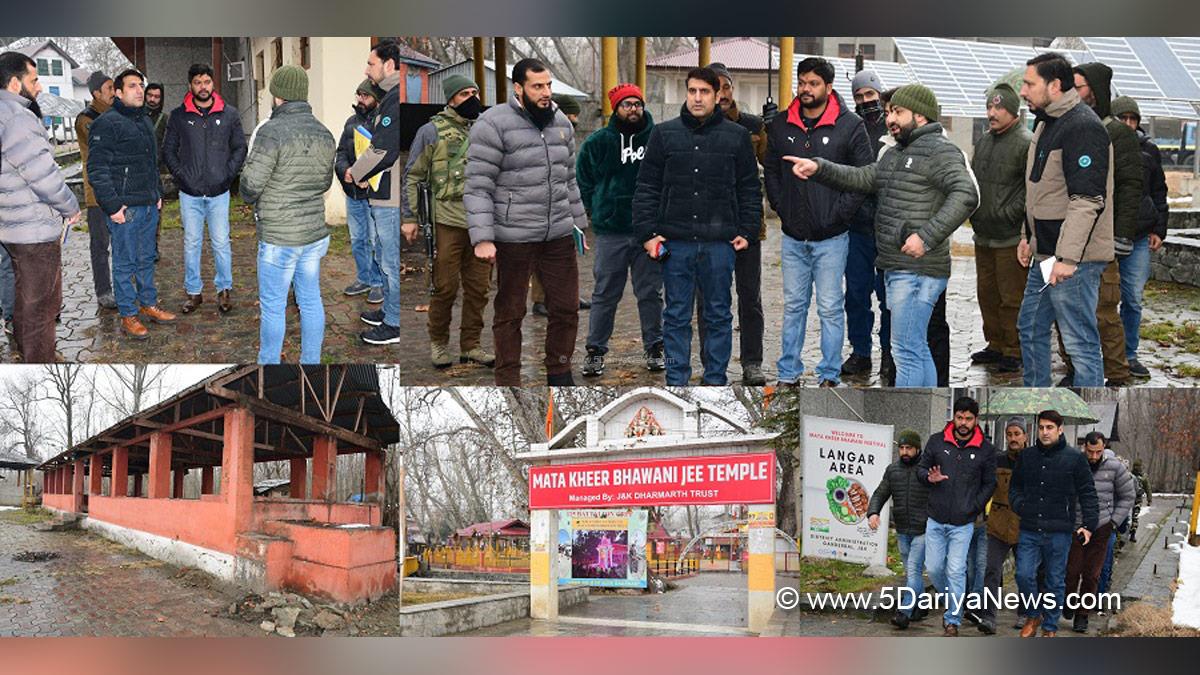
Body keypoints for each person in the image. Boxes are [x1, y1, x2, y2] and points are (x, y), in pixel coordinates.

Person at [784, 84, 978, 387]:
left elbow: (966, 194)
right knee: (916, 348)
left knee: (905, 351)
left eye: (897, 112)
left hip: (915, 270)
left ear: (921, 116)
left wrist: (926, 237)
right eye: (889, 112)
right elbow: (864, 176)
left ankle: (911, 416)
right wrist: (819, 168)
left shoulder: (941, 150)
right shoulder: (896, 151)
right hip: (899, 266)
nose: (890, 119)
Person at [634, 66, 760, 386]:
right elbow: (647, 187)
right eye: (692, 91)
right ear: (686, 92)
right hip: (675, 243)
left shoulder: (737, 137)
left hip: (720, 243)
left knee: (718, 315)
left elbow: (749, 187)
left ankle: (715, 379)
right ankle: (676, 379)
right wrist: (648, 234)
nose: (697, 98)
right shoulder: (664, 134)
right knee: (675, 316)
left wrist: (747, 230)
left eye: (705, 92)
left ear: (718, 96)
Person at [465, 58, 588, 386]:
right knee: (510, 312)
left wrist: (578, 223)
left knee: (566, 308)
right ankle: (508, 378)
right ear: (518, 88)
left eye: (548, 85)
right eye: (537, 86)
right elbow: (478, 185)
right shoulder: (492, 124)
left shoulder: (562, 122)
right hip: (513, 236)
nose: (546, 93)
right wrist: (483, 238)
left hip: (559, 234)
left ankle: (560, 374)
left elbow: (569, 179)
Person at [764, 57, 872, 388]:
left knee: (829, 308)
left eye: (813, 83)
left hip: (832, 237)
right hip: (793, 236)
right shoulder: (781, 125)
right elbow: (770, 170)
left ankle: (829, 374)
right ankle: (787, 374)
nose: (806, 89)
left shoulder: (850, 125)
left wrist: (840, 213)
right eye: (802, 82)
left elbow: (865, 175)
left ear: (828, 86)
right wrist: (782, 208)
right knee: (794, 307)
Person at [1016, 53, 1114, 388]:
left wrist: (1068, 258)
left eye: (1030, 83)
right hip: (1045, 254)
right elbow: (1041, 190)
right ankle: (1037, 399)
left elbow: (1087, 200)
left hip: (1074, 260)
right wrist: (1026, 236)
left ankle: (1090, 408)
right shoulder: (1046, 122)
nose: (1023, 91)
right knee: (1029, 328)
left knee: (1078, 342)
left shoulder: (1083, 127)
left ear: (1055, 85)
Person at [239, 65, 335, 364]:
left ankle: (268, 365)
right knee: (310, 301)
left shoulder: (271, 131)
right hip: (313, 235)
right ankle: (311, 362)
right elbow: (324, 183)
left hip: (280, 237)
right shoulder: (324, 132)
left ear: (277, 96)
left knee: (273, 306)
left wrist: (247, 189)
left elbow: (251, 185)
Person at [403, 74, 494, 369]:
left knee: (479, 288)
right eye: (464, 93)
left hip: (482, 222)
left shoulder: (487, 129)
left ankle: (471, 345)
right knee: (444, 287)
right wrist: (410, 216)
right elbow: (413, 175)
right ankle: (439, 344)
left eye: (474, 92)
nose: (472, 98)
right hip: (446, 221)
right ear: (451, 98)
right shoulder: (431, 131)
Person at [1059, 63, 1141, 387]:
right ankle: (1076, 370)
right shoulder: (1067, 126)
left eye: (1077, 86)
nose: (1071, 92)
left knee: (1104, 312)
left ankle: (1117, 374)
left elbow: (1131, 185)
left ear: (1094, 89)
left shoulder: (1117, 132)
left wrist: (1121, 234)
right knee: (1066, 311)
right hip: (1068, 239)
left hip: (1102, 239)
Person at [576, 83, 663, 377]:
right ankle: (595, 351)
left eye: (637, 104)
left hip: (649, 232)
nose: (633, 109)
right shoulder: (599, 142)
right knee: (604, 293)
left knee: (650, 292)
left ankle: (655, 347)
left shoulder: (658, 139)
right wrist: (600, 207)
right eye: (626, 104)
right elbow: (583, 177)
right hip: (611, 231)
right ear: (616, 108)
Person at [0, 51, 81, 362]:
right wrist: (70, 206)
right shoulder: (19, 118)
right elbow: (42, 175)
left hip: (12, 226)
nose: (40, 86)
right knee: (43, 306)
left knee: (24, 298)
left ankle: (25, 350)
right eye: (34, 79)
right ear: (14, 83)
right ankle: (40, 360)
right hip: (33, 229)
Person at [87, 68, 176, 340]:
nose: (140, 90)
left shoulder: (145, 122)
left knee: (146, 259)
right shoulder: (106, 123)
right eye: (133, 86)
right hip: (125, 209)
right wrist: (113, 206)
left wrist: (157, 193)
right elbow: (97, 170)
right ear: (118, 92)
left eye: (141, 85)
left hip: (149, 204)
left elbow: (152, 163)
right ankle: (128, 314)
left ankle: (148, 304)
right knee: (125, 263)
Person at [162, 63, 247, 316]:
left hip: (219, 192)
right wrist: (182, 177)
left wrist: (227, 175)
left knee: (221, 242)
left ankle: (224, 291)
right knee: (191, 243)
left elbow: (240, 148)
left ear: (213, 84)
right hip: (190, 193)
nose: (202, 87)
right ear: (191, 85)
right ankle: (194, 293)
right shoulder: (179, 116)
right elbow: (168, 150)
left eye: (206, 82)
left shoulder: (229, 114)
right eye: (197, 82)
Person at [1009, 409, 1099, 638]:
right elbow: (1015, 487)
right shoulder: (1027, 456)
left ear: (1060, 430)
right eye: (1041, 427)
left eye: (1050, 428)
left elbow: (1087, 492)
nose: (1045, 432)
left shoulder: (1075, 458)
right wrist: (1020, 505)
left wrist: (1089, 525)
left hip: (1059, 530)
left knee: (1055, 580)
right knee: (1024, 575)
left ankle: (1050, 627)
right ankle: (1033, 614)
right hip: (1030, 527)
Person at [705, 62, 767, 386]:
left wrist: (777, 128)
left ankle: (752, 362)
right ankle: (712, 363)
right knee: (712, 300)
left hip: (746, 227)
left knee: (750, 297)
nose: (723, 93)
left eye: (727, 86)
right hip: (708, 230)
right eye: (716, 87)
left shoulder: (753, 125)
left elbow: (773, 161)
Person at [915, 396, 997, 636]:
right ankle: (956, 603)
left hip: (963, 523)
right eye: (959, 417)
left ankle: (952, 618)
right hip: (936, 519)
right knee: (934, 568)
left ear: (976, 420)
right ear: (954, 417)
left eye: (968, 418)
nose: (963, 422)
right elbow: (921, 468)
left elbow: (989, 483)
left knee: (955, 570)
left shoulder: (985, 449)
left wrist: (974, 506)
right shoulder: (937, 441)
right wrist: (927, 478)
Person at [970, 84, 1031, 374]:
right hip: (983, 234)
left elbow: (1031, 190)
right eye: (989, 108)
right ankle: (994, 344)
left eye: (999, 108)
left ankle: (1013, 348)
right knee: (987, 294)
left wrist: (1009, 213)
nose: (992, 113)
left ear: (1013, 111)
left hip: (1009, 237)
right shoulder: (983, 141)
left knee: (1011, 298)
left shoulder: (1026, 142)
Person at [1112, 96, 1169, 379]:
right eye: (1122, 118)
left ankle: (1129, 354)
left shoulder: (1149, 151)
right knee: (1102, 300)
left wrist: (1159, 229)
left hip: (1138, 237)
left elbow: (1159, 192)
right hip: (1107, 237)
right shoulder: (1104, 145)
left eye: (1132, 119)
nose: (1128, 124)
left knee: (1133, 299)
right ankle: (1105, 355)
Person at [350, 41, 402, 346]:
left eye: (371, 64)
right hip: (382, 192)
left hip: (390, 195)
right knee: (384, 257)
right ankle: (390, 310)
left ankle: (394, 323)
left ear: (389, 65)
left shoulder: (394, 99)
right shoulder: (389, 98)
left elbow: (382, 150)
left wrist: (355, 172)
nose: (366, 69)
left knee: (390, 261)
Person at [842, 70, 890, 381]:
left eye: (870, 95)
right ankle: (861, 351)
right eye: (859, 97)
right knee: (856, 294)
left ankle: (889, 352)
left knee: (889, 297)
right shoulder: (850, 129)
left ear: (880, 95)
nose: (865, 101)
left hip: (887, 228)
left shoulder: (894, 128)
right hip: (857, 226)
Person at [1063, 431, 1134, 634]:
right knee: (1071, 571)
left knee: (1092, 574)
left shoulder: (1115, 468)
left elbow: (1128, 495)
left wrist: (1113, 522)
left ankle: (1082, 615)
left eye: (1098, 452)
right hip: (1076, 525)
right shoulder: (1074, 464)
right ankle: (1069, 602)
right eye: (1090, 451)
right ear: (1084, 447)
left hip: (1102, 527)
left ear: (1104, 449)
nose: (1093, 456)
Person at [530, 92, 590, 318]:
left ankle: (567, 296)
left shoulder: (565, 134)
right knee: (540, 256)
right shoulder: (543, 133)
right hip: (540, 206)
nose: (574, 120)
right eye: (571, 114)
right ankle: (540, 299)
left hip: (564, 204)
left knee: (567, 254)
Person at [866, 428, 930, 630]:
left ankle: (904, 612)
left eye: (909, 448)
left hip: (924, 529)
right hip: (903, 529)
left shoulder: (927, 470)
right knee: (913, 573)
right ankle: (920, 606)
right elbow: (880, 493)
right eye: (901, 448)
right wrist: (873, 512)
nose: (904, 452)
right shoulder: (892, 470)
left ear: (918, 449)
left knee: (912, 570)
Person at [337, 79, 386, 305]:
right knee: (358, 240)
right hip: (353, 193)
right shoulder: (350, 123)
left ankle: (378, 282)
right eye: (358, 95)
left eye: (365, 96)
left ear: (376, 98)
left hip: (373, 195)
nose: (360, 100)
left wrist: (365, 174)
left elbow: (383, 156)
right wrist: (345, 171)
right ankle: (363, 278)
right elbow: (341, 153)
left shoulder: (382, 123)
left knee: (376, 240)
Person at [978, 416, 1028, 634]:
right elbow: (984, 485)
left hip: (1024, 526)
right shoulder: (997, 460)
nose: (1013, 438)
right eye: (1009, 434)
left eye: (1017, 434)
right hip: (998, 525)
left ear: (1025, 436)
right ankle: (988, 616)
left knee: (1025, 573)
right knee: (991, 570)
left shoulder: (1033, 461)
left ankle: (1025, 613)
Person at [74, 70, 117, 311]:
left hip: (120, 190)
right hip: (97, 194)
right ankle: (103, 290)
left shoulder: (116, 114)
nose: (114, 92)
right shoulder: (86, 119)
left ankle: (121, 286)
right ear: (96, 93)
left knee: (121, 243)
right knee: (100, 245)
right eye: (109, 89)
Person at [1128, 458, 1153, 542]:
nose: (1136, 468)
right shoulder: (1129, 475)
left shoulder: (1143, 477)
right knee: (1128, 517)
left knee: (1135, 516)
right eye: (1135, 466)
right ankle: (1127, 533)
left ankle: (1132, 534)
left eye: (1138, 466)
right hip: (1129, 499)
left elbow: (1148, 488)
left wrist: (1149, 499)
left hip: (1137, 499)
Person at [144, 82, 168, 147]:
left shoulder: (165, 119)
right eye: (149, 95)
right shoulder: (135, 115)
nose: (152, 99)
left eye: (156, 97)